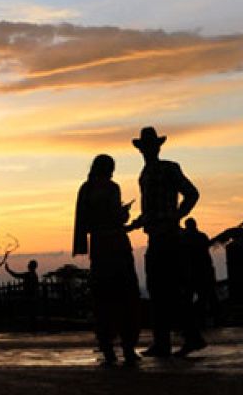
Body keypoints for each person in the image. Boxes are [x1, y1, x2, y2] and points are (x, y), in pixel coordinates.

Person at [129, 126, 206, 357]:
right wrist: (136, 223)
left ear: (157, 147)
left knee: (170, 289)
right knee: (159, 289)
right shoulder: (144, 174)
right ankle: (166, 341)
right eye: (145, 147)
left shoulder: (169, 168)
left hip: (169, 236)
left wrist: (177, 215)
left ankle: (186, 338)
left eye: (150, 146)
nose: (147, 151)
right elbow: (150, 209)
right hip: (155, 235)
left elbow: (192, 193)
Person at [73, 154, 140, 365]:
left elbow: (85, 220)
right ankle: (128, 348)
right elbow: (115, 217)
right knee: (125, 295)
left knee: (103, 298)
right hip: (117, 245)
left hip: (99, 247)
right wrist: (124, 214)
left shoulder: (86, 188)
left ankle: (108, 348)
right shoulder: (112, 187)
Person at [181, 218, 217, 326]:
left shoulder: (185, 238)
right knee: (203, 297)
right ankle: (203, 319)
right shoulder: (202, 236)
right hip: (203, 271)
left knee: (188, 298)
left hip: (191, 272)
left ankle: (190, 321)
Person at [3, 258, 41, 331]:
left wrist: (8, 270)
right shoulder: (33, 275)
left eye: (29, 265)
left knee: (28, 312)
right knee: (31, 313)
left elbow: (16, 275)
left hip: (29, 297)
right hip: (31, 296)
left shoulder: (30, 275)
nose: (28, 266)